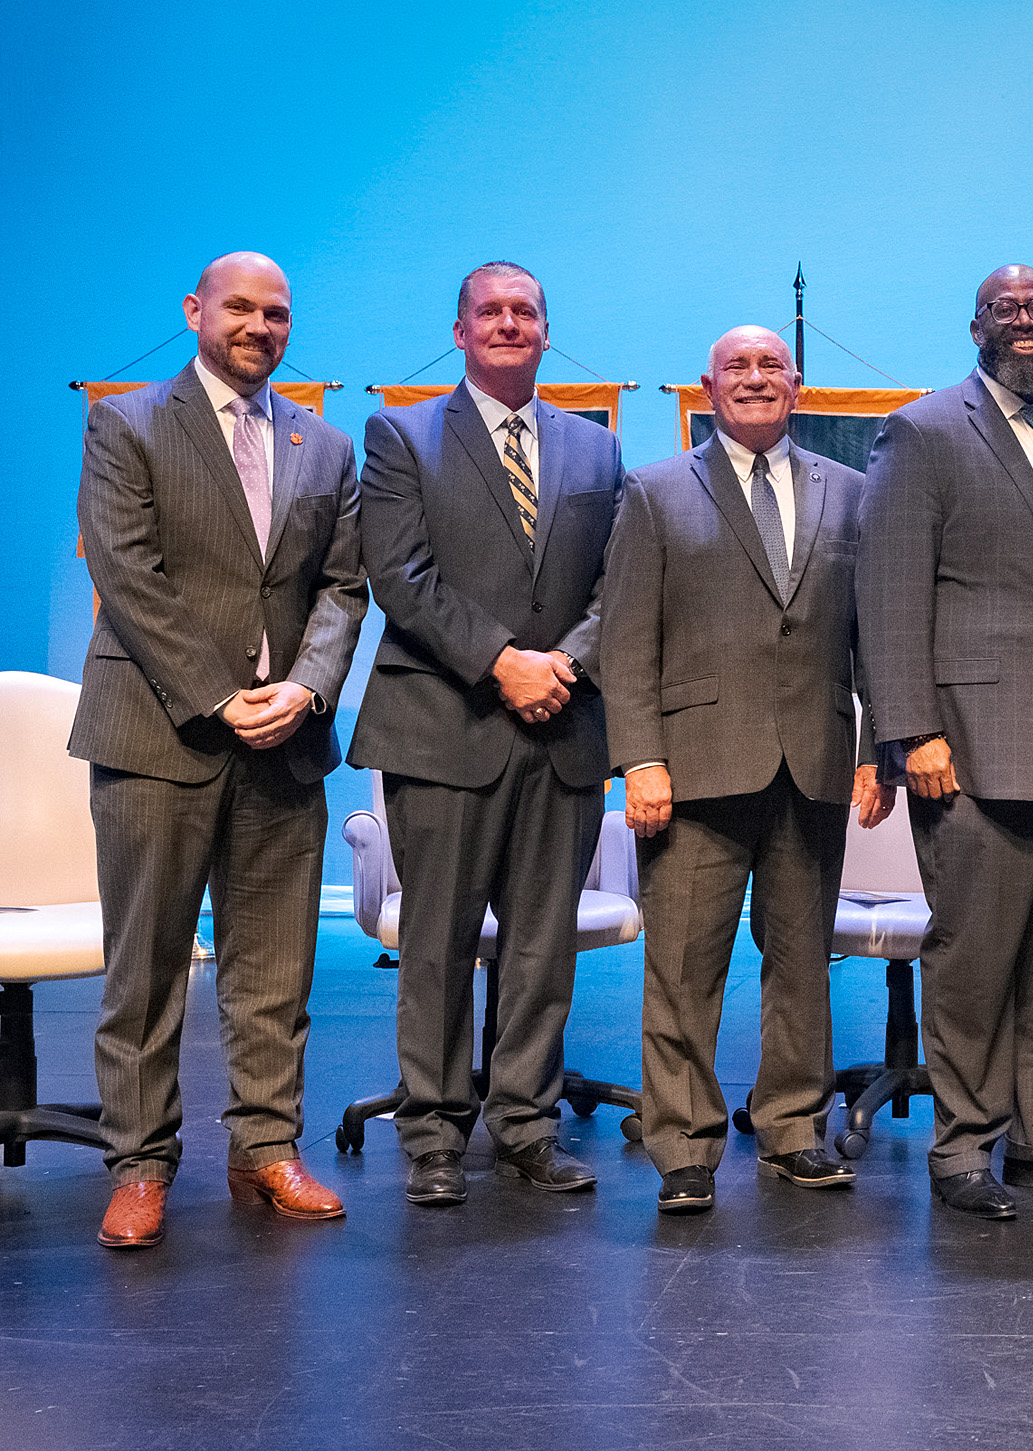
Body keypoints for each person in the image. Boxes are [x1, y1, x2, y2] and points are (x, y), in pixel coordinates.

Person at [72, 252, 367, 1248]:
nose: (258, 324)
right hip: (159, 733)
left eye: (277, 312)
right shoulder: (128, 423)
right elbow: (128, 571)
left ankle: (266, 1147)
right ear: (195, 310)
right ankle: (143, 1165)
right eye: (239, 306)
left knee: (275, 969)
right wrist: (218, 695)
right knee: (147, 968)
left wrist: (309, 684)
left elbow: (344, 586)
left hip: (286, 743)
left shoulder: (323, 445)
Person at [856, 265, 1033, 1220]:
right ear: (975, 326)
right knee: (974, 953)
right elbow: (887, 592)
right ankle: (963, 1146)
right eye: (1005, 310)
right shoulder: (924, 431)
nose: (1025, 323)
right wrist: (911, 729)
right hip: (971, 743)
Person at [602, 326, 895, 1215]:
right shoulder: (654, 492)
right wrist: (641, 759)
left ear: (796, 385)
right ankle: (685, 1143)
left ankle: (793, 1129)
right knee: (683, 968)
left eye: (772, 366)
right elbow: (624, 640)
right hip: (690, 773)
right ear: (708, 385)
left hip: (811, 764)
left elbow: (872, 635)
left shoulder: (850, 493)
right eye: (739, 366)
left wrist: (875, 748)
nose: (757, 378)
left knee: (802, 963)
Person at [350, 261, 625, 1207]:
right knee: (438, 944)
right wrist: (505, 661)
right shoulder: (401, 433)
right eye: (490, 312)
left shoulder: (596, 448)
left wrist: (564, 665)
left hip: (565, 729)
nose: (509, 324)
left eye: (526, 312)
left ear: (547, 332)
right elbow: (400, 574)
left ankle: (527, 1128)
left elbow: (615, 585)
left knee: (542, 950)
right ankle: (433, 1133)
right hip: (443, 725)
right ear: (460, 332)